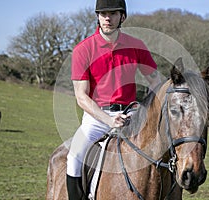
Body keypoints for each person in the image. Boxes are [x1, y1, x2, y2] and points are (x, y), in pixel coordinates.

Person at [66, 0, 161, 199]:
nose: (107, 18)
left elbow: (155, 82)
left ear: (122, 17)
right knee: (74, 155)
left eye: (113, 13)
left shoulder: (136, 46)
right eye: (103, 14)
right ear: (97, 17)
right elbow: (81, 96)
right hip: (97, 118)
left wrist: (149, 111)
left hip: (131, 115)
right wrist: (108, 120)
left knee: (163, 149)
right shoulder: (83, 50)